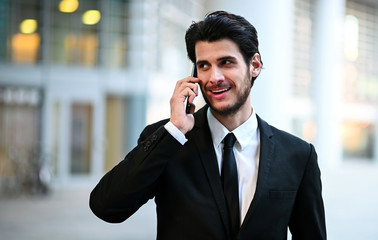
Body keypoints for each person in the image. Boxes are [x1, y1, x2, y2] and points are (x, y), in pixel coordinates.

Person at [90, 11, 326, 240]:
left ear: (254, 65)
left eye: (226, 62)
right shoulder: (168, 140)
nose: (214, 78)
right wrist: (174, 131)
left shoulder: (298, 155)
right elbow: (107, 207)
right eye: (204, 65)